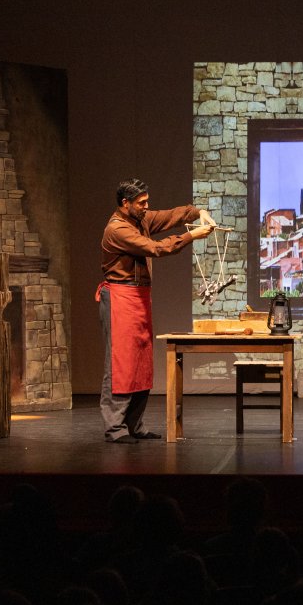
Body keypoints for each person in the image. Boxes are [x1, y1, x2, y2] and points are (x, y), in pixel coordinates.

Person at [98, 178, 214, 443]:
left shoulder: (141, 219)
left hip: (138, 297)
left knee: (141, 363)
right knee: (120, 363)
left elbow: (171, 215)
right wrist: (191, 236)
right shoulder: (117, 229)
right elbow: (155, 248)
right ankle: (115, 428)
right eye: (141, 203)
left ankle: (134, 425)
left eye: (147, 202)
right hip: (120, 297)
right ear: (125, 203)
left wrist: (198, 212)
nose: (146, 207)